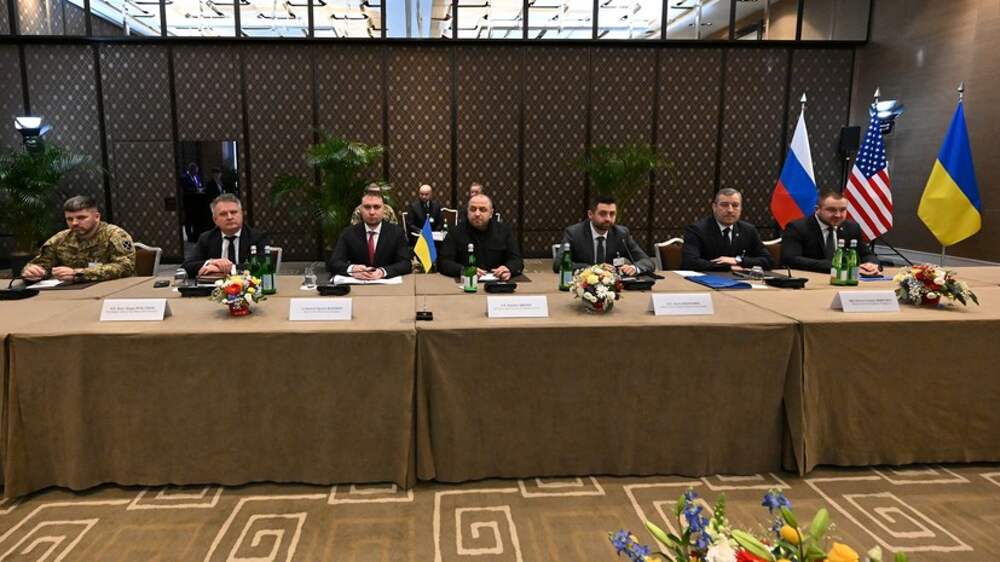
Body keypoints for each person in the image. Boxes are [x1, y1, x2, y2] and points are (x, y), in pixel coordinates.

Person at [21, 195, 136, 283]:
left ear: (96, 217)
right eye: (69, 219)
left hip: (112, 288)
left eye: (81, 217)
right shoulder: (60, 239)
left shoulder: (115, 235)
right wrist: (32, 271)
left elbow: (126, 266)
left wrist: (79, 273)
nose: (74, 223)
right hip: (71, 292)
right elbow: (41, 264)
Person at [781, 189, 880, 274]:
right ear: (817, 209)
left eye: (842, 210)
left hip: (845, 280)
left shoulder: (852, 227)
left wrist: (871, 264)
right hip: (812, 278)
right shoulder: (797, 227)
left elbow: (866, 254)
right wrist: (837, 266)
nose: (838, 215)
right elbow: (791, 259)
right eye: (832, 210)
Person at [554, 194, 654, 275]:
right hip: (583, 286)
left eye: (612, 214)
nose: (608, 218)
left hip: (614, 287)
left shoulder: (621, 234)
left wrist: (634, 268)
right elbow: (559, 264)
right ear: (590, 214)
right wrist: (594, 269)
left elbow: (647, 261)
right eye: (603, 213)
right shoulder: (574, 233)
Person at [681, 188, 771, 272]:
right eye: (724, 205)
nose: (730, 210)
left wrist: (737, 260)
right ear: (714, 207)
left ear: (741, 208)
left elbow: (768, 261)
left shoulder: (749, 230)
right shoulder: (697, 230)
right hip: (706, 280)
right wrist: (728, 267)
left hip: (741, 280)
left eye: (735, 205)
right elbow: (689, 262)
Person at [438, 193, 523, 281]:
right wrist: (464, 270)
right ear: (467, 211)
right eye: (473, 209)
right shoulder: (455, 232)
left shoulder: (504, 232)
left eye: (482, 210)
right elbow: (444, 263)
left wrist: (509, 269)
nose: (477, 214)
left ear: (491, 213)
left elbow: (517, 260)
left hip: (497, 282)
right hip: (466, 282)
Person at [328, 190, 412, 279]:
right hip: (358, 283)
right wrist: (352, 269)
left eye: (377, 207)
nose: (372, 212)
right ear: (360, 209)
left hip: (386, 284)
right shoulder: (348, 233)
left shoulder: (397, 232)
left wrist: (383, 271)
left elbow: (406, 264)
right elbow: (334, 263)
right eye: (367, 207)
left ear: (384, 209)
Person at [182, 194, 269, 278]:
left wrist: (227, 269)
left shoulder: (258, 237)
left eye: (233, 212)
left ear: (241, 214)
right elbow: (187, 265)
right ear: (215, 220)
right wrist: (212, 262)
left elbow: (262, 265)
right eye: (223, 214)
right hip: (215, 286)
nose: (229, 217)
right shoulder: (206, 238)